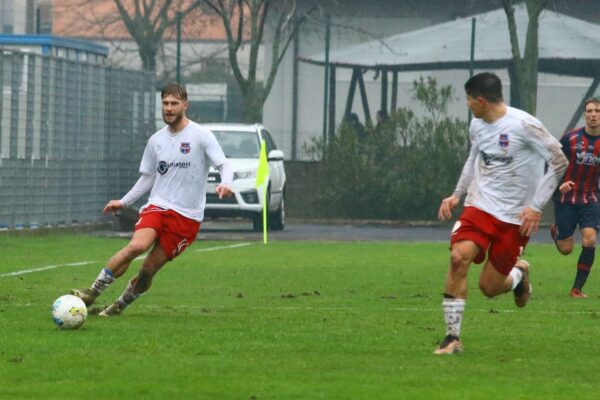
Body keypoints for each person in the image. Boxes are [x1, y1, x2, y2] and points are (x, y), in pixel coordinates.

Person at [71, 83, 233, 317]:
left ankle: (120, 305)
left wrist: (226, 182)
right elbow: (147, 178)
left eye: (174, 103)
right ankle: (92, 292)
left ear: (185, 105)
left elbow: (223, 164)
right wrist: (124, 202)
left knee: (148, 270)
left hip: (187, 218)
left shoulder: (201, 136)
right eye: (165, 103)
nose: (168, 108)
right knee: (137, 245)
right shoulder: (156, 141)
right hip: (158, 206)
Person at [434, 72, 568, 355]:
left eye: (469, 99)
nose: (468, 104)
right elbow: (473, 159)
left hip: (514, 217)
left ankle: (519, 274)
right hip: (479, 206)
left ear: (481, 100)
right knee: (459, 257)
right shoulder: (477, 125)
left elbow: (558, 161)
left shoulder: (525, 125)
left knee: (490, 287)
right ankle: (452, 338)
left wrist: (535, 207)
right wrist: (457, 194)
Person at [550, 98, 600, 298]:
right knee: (566, 249)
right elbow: (553, 166)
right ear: (584, 114)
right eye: (590, 111)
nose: (593, 114)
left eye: (597, 110)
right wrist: (560, 183)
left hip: (591, 198)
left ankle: (576, 289)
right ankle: (558, 233)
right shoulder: (569, 139)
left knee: (590, 239)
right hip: (566, 198)